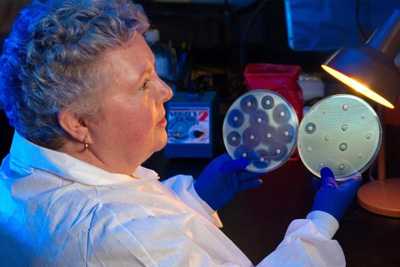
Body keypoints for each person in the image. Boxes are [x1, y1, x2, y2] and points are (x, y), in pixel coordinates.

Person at [0, 0, 361, 266]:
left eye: (155, 73)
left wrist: (198, 197)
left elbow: (130, 204)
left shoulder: (25, 169)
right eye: (143, 85)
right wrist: (321, 223)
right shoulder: (121, 235)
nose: (166, 91)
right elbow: (137, 239)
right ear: (77, 123)